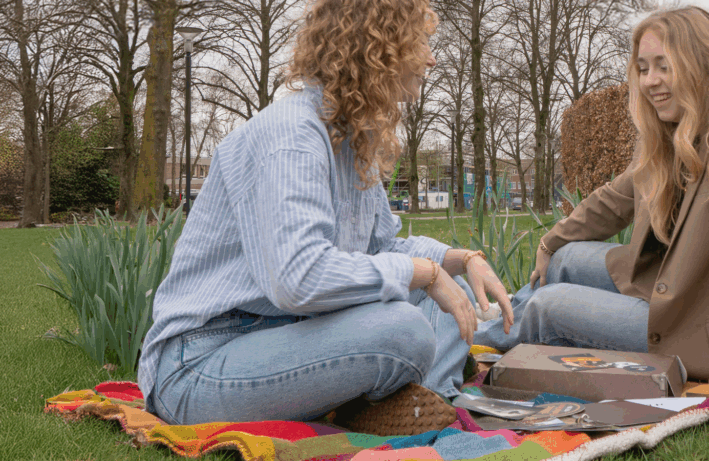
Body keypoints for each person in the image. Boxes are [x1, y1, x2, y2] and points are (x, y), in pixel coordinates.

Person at [138, 0, 514, 432]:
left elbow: (384, 247)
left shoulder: (353, 140)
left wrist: (462, 259)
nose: (431, 58)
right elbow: (298, 279)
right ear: (379, 47)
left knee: (452, 292)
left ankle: (418, 401)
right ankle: (403, 399)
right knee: (405, 328)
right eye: (421, 43)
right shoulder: (294, 137)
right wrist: (425, 273)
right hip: (201, 366)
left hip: (287, 341)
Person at [475, 6, 709, 395]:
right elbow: (612, 201)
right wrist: (550, 241)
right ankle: (490, 319)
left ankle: (472, 338)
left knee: (549, 307)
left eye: (664, 66)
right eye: (643, 68)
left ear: (703, 65)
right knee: (564, 260)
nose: (650, 81)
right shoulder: (673, 135)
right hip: (672, 290)